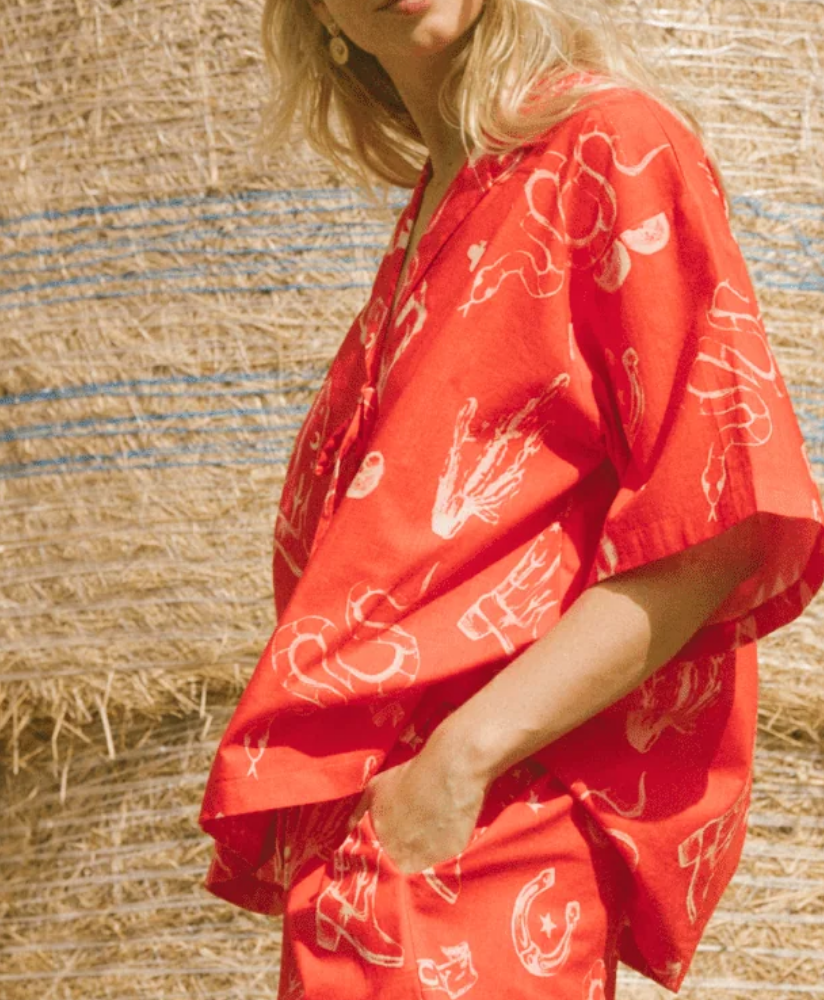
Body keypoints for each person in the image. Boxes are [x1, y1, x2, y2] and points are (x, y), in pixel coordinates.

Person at [197, 1, 824, 998]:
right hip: (375, 850)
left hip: (492, 834)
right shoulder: (445, 196)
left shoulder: (610, 143)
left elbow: (716, 519)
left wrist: (462, 759)